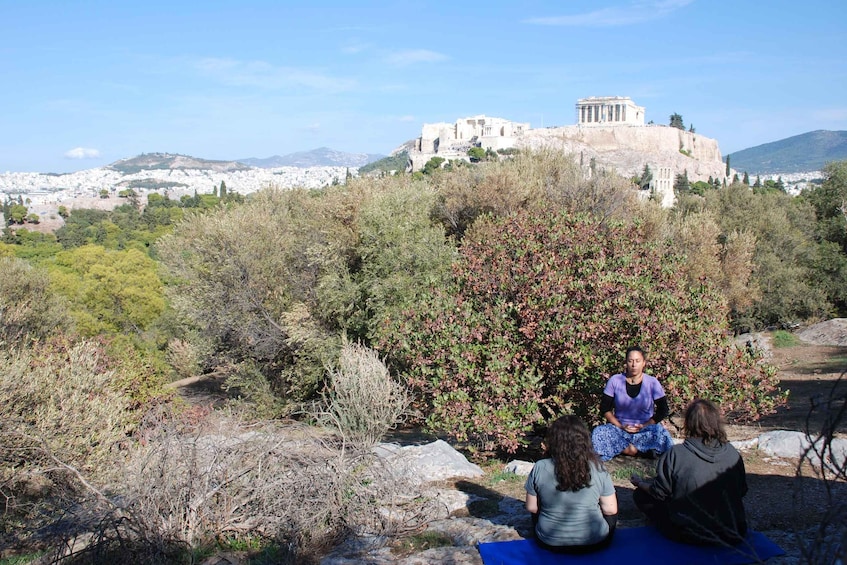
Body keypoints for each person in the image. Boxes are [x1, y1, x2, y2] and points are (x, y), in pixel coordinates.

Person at [630, 398, 748, 545]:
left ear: (688, 423)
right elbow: (742, 490)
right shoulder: (733, 453)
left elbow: (659, 493)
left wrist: (640, 483)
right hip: (734, 532)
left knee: (641, 496)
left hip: (692, 534)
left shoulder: (676, 454)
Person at [525, 415, 618, 553]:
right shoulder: (598, 467)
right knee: (610, 503)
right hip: (595, 541)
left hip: (549, 541)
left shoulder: (540, 466)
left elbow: (532, 507)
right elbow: (610, 510)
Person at [591, 346, 674, 461]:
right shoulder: (615, 381)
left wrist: (645, 425)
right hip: (619, 429)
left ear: (644, 363)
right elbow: (605, 408)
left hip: (644, 430)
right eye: (630, 361)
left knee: (661, 435)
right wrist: (620, 426)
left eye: (637, 361)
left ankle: (626, 449)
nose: (634, 365)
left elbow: (663, 410)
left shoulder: (652, 383)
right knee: (599, 432)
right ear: (626, 362)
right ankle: (637, 451)